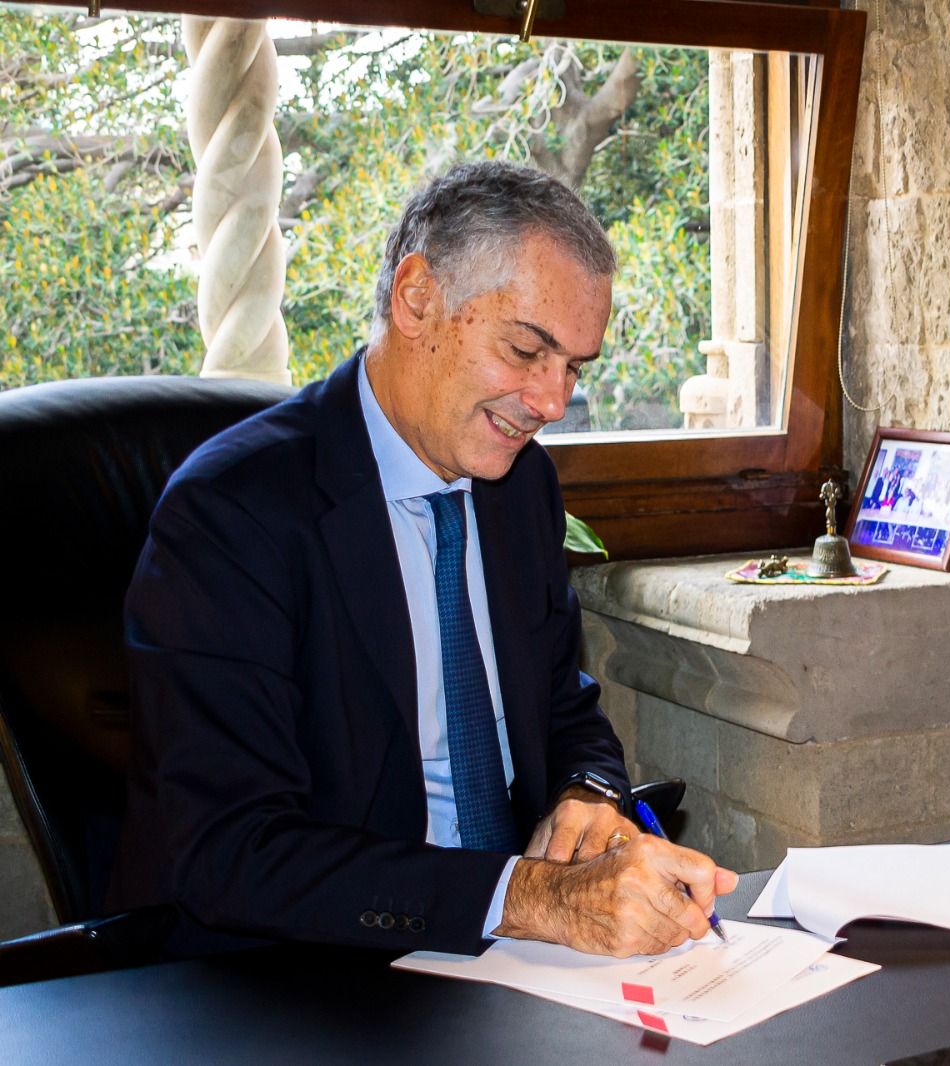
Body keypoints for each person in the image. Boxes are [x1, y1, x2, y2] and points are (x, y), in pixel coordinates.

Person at [107, 162, 736, 959]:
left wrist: (588, 793)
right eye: (526, 350)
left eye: (574, 367)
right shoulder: (232, 514)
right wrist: (525, 898)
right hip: (308, 969)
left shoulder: (521, 487)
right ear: (416, 300)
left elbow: (563, 705)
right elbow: (232, 850)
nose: (551, 402)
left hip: (511, 959)